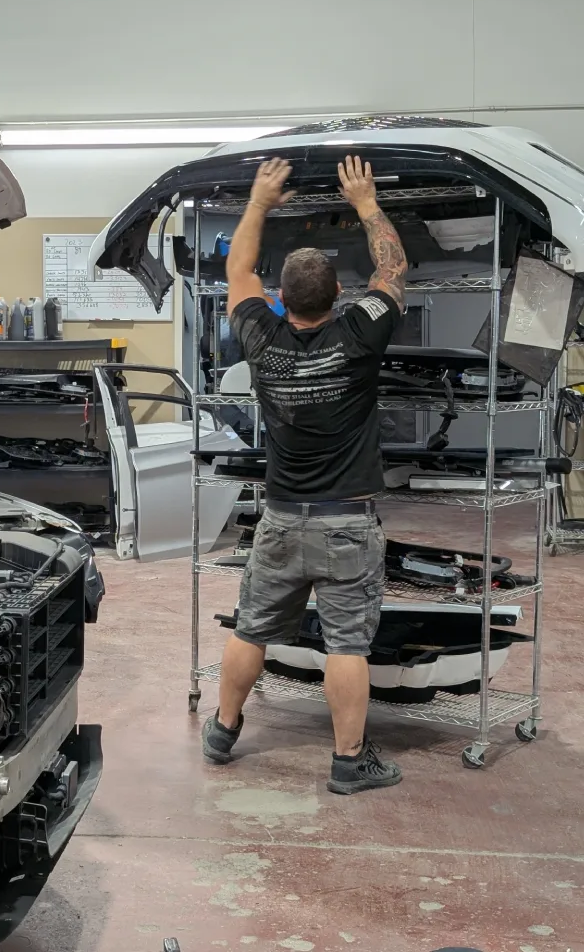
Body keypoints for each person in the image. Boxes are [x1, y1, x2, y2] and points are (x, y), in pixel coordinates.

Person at [202, 154, 408, 795]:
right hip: (347, 522)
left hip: (282, 518)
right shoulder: (361, 334)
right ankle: (348, 763)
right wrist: (365, 202)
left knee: (252, 628)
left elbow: (238, 271)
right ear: (339, 294)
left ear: (280, 299)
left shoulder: (259, 337)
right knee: (347, 645)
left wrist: (260, 200)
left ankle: (221, 732)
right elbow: (393, 269)